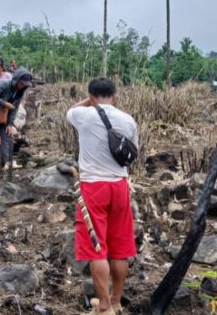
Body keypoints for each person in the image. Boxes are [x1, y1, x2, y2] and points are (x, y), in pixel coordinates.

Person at [66, 78, 138, 315]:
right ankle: (116, 301)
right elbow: (132, 152)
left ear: (91, 96)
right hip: (120, 185)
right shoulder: (128, 120)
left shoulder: (83, 115)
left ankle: (104, 306)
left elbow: (71, 110)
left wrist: (89, 101)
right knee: (120, 248)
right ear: (115, 97)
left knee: (95, 247)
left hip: (93, 187)